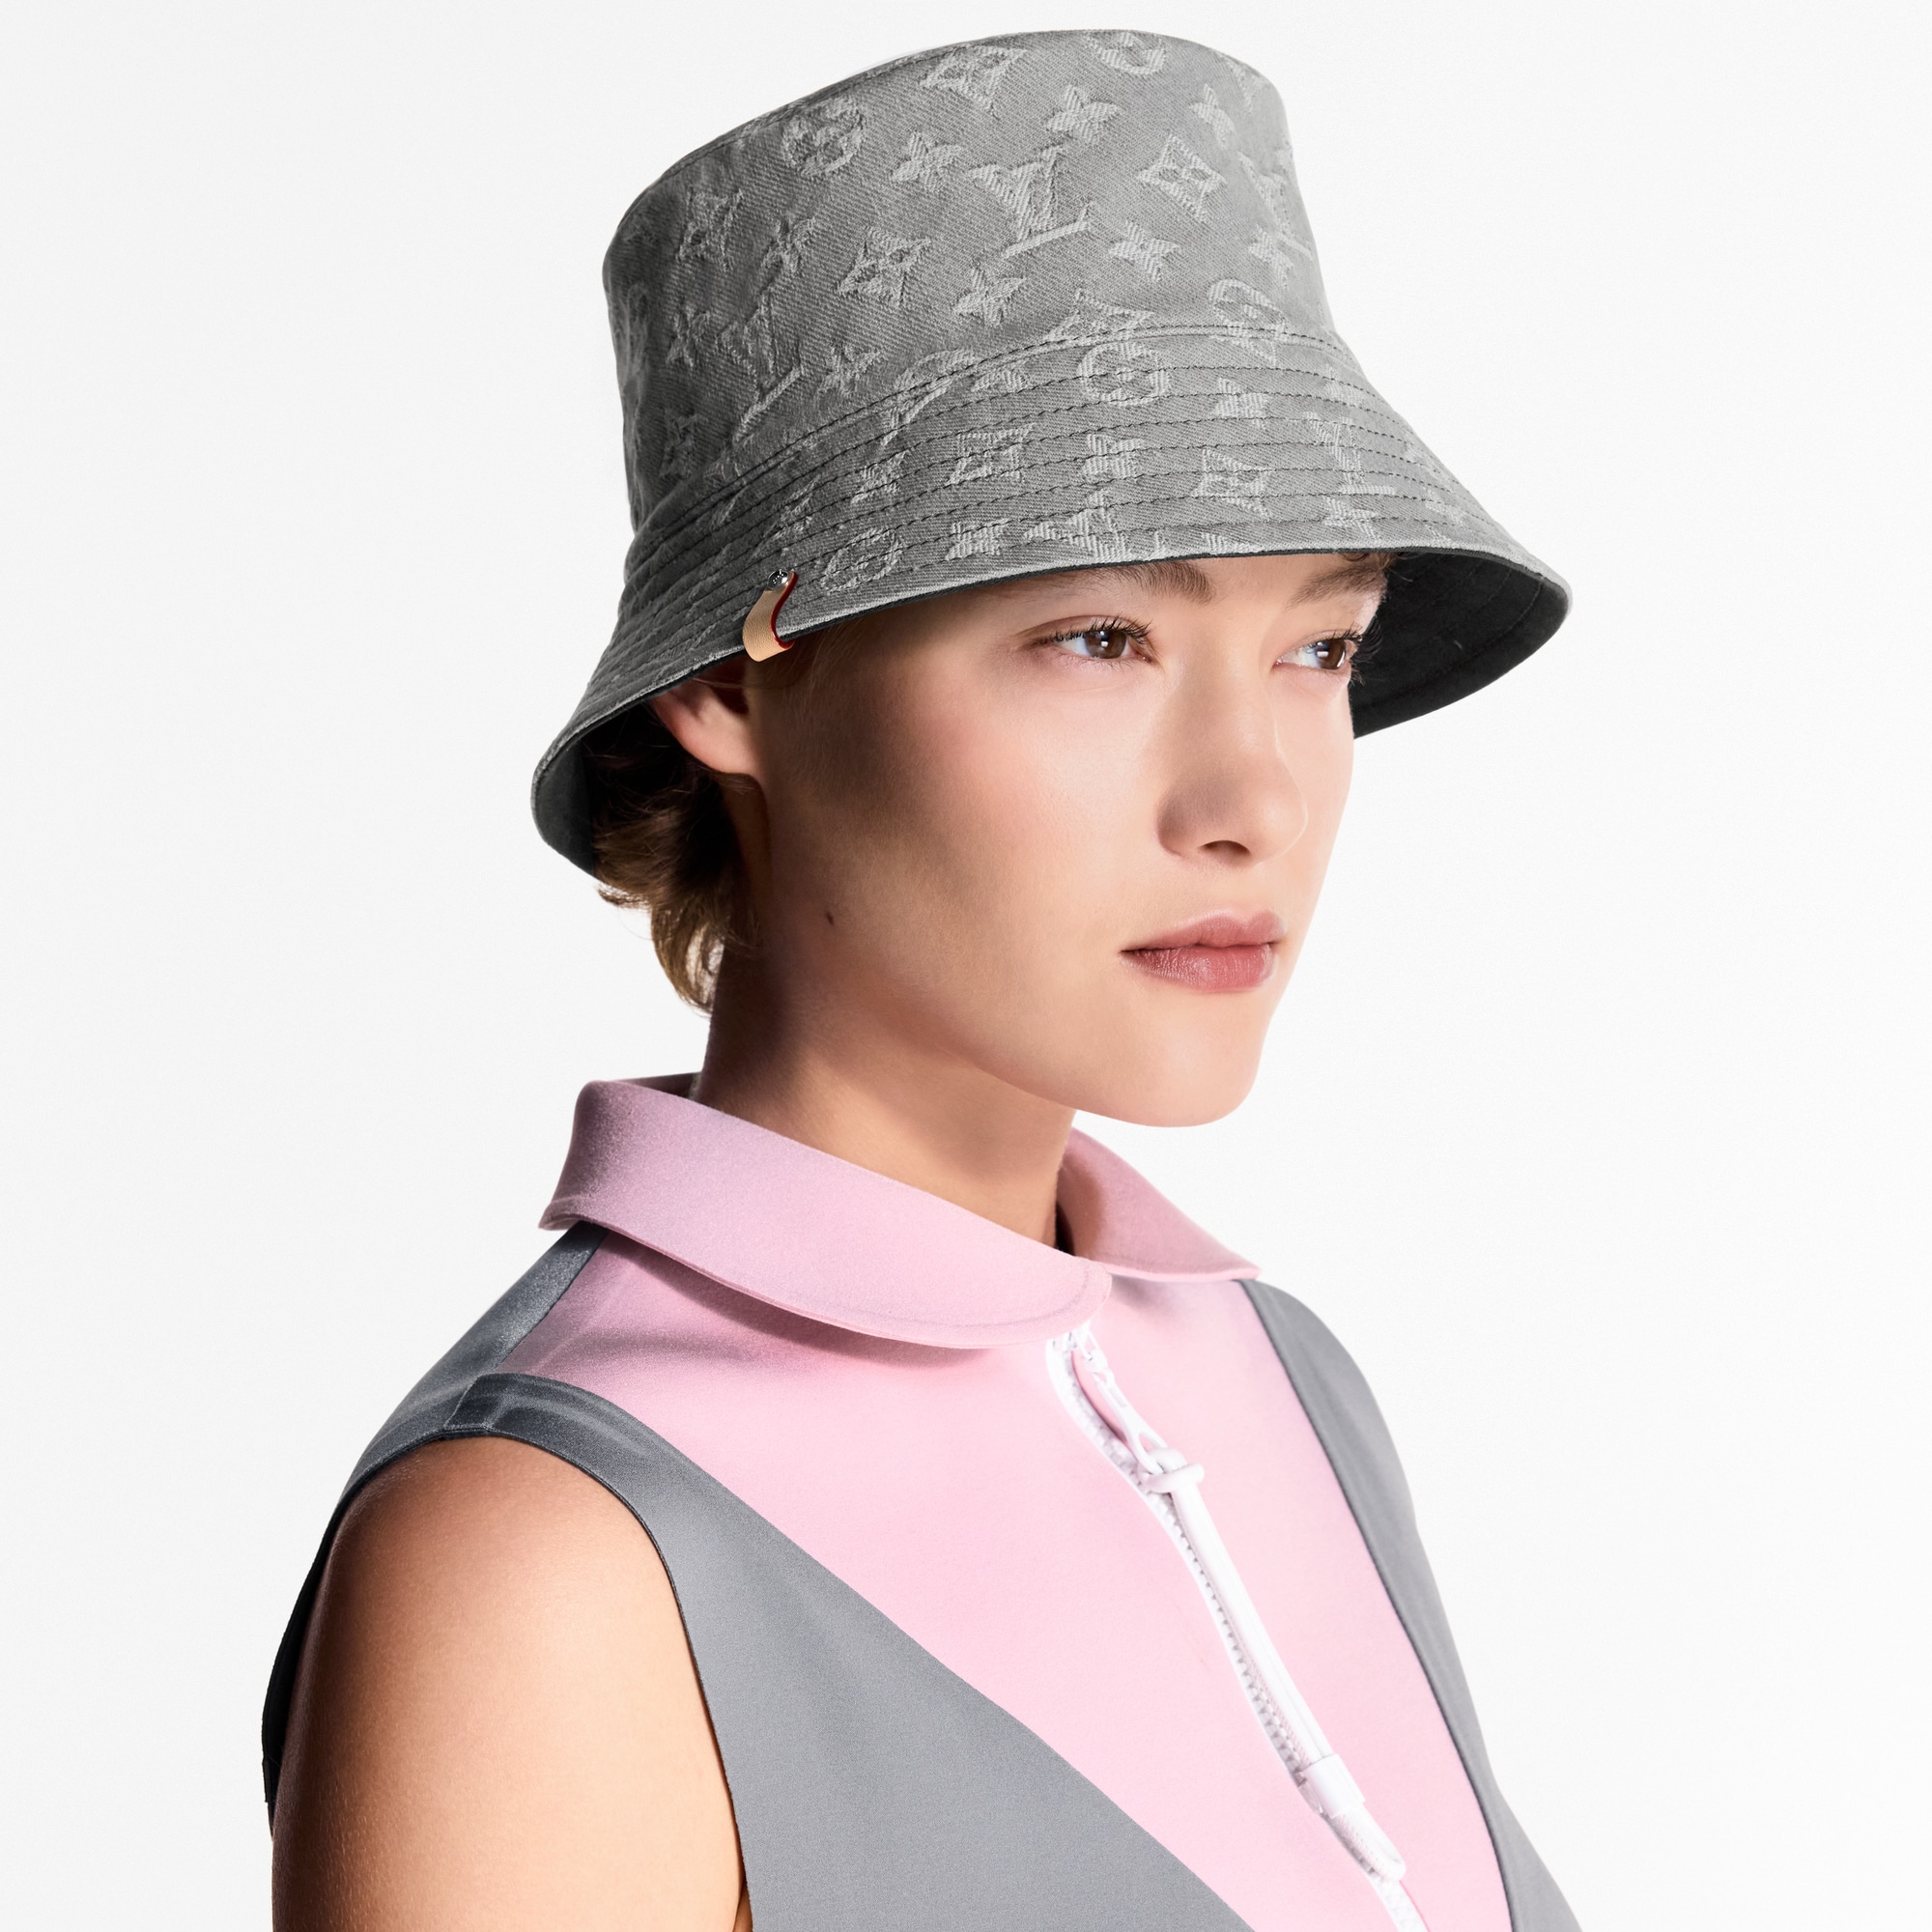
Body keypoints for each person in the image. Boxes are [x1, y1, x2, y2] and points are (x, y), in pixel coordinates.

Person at [264, 30, 1576, 1932]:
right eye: (1099, 637)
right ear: (729, 684)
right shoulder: (546, 1558)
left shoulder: (1278, 1375)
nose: (1251, 804)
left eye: (1320, 647)